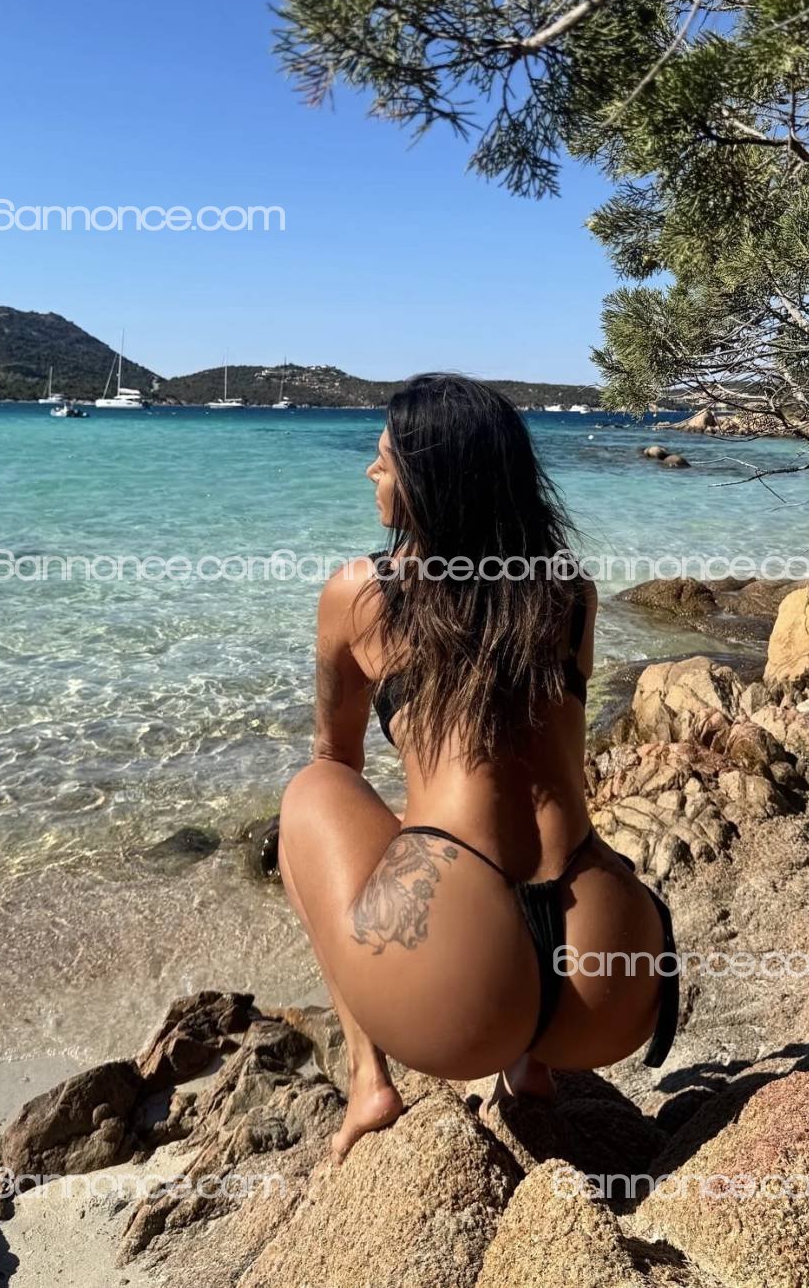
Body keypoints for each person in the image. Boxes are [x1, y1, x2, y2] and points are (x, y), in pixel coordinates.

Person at [279, 373, 678, 1162]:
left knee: (312, 789)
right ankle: (533, 1064)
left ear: (431, 478)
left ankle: (367, 1079)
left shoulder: (363, 593)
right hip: (610, 987)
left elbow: (338, 757)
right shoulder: (571, 591)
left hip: (459, 999)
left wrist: (412, 838)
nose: (371, 470)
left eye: (386, 457)